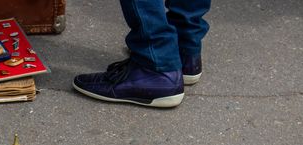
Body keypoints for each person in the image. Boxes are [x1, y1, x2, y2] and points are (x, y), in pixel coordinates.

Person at [73, 0, 211, 108]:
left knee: (156, 55)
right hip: (187, 46)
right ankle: (184, 50)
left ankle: (156, 65)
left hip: (157, 65)